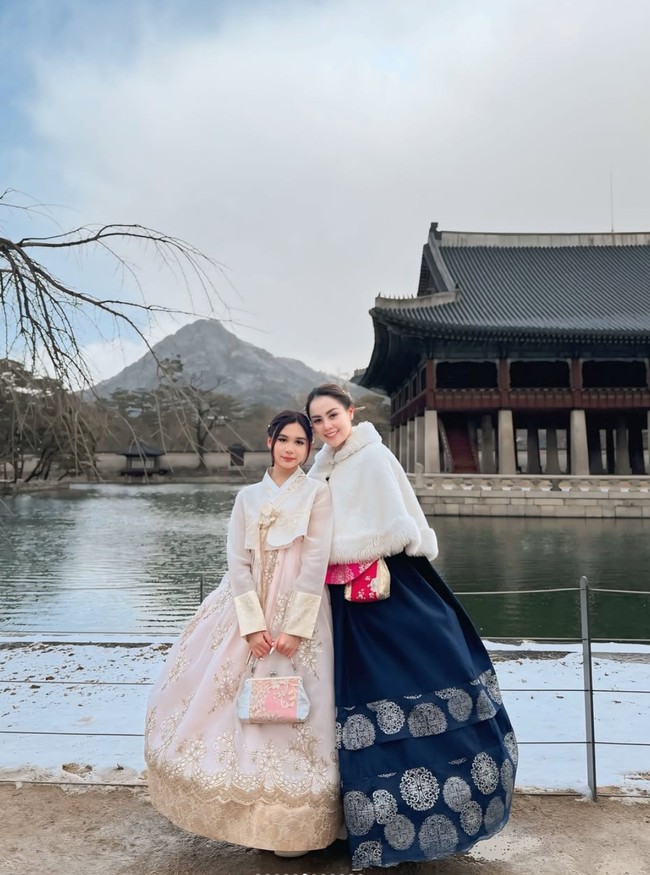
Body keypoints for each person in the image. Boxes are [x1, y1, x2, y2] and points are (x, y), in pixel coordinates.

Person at [306, 384, 517, 871]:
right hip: (341, 598)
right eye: (317, 420)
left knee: (410, 691)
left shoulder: (372, 459)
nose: (326, 426)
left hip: (385, 589)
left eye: (332, 415)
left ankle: (428, 820)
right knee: (351, 708)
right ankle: (362, 824)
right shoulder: (323, 466)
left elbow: (395, 526)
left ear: (351, 412)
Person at [145, 410, 342, 856]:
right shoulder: (247, 496)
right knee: (235, 703)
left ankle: (296, 823)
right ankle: (252, 817)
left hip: (300, 606)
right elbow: (238, 562)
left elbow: (315, 562)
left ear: (309, 450)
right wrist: (252, 626)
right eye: (284, 440)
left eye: (301, 442)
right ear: (270, 441)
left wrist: (295, 627)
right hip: (249, 608)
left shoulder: (317, 494)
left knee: (302, 706)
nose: (291, 449)